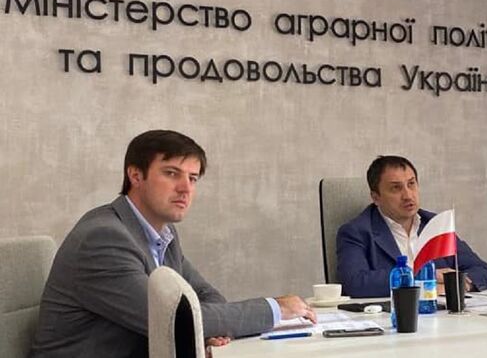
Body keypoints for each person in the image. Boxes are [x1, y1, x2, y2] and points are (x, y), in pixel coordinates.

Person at [31, 130, 316, 358]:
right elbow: (171, 321)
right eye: (171, 173)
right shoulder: (103, 238)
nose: (185, 188)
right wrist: (275, 309)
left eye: (193, 178)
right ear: (135, 175)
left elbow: (204, 295)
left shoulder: (162, 232)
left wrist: (207, 328)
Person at [337, 155, 487, 298]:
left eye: (411, 184)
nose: (408, 195)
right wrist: (426, 277)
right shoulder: (356, 232)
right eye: (396, 188)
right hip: (395, 316)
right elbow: (354, 283)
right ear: (376, 197)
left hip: (443, 314)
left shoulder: (435, 225)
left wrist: (457, 286)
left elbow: (483, 271)